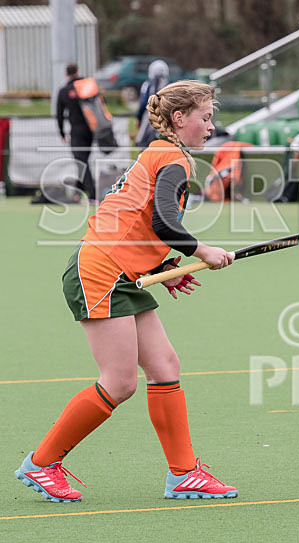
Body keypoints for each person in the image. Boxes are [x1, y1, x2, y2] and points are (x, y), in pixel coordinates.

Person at [15, 81, 238, 503]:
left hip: (122, 271)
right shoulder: (173, 159)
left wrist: (162, 267)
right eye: (205, 118)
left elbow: (131, 219)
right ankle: (42, 463)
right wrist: (202, 249)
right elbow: (164, 223)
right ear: (179, 119)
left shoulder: (158, 153)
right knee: (119, 383)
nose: (211, 126)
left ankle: (184, 473)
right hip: (100, 271)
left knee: (165, 364)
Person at [56, 63, 95, 201]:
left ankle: (93, 194)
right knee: (83, 160)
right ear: (78, 72)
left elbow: (59, 115)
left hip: (76, 131)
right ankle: (78, 193)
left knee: (81, 162)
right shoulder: (88, 85)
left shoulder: (64, 91)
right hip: (91, 131)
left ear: (66, 74)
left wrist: (61, 133)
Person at [136, 59, 170, 148]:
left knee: (145, 146)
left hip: (149, 119)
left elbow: (143, 103)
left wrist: (138, 118)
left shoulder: (147, 85)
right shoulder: (169, 86)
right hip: (164, 121)